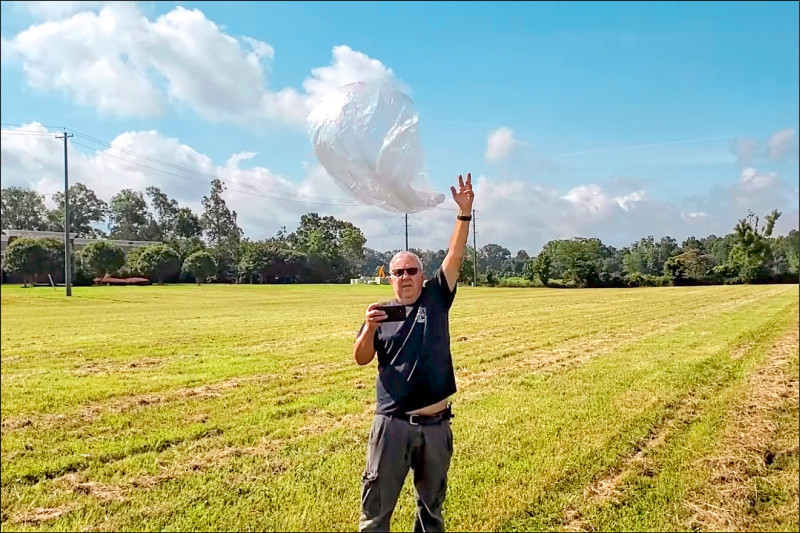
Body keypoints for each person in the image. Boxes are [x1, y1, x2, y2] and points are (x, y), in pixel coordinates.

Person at [354, 173, 475, 532]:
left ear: (422, 276)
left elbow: (454, 256)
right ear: (389, 278)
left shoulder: (436, 299)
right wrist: (370, 327)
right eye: (398, 272)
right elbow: (361, 358)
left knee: (431, 510)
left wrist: (464, 214)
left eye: (412, 270)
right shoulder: (378, 313)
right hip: (392, 427)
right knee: (376, 513)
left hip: (436, 426)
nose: (405, 277)